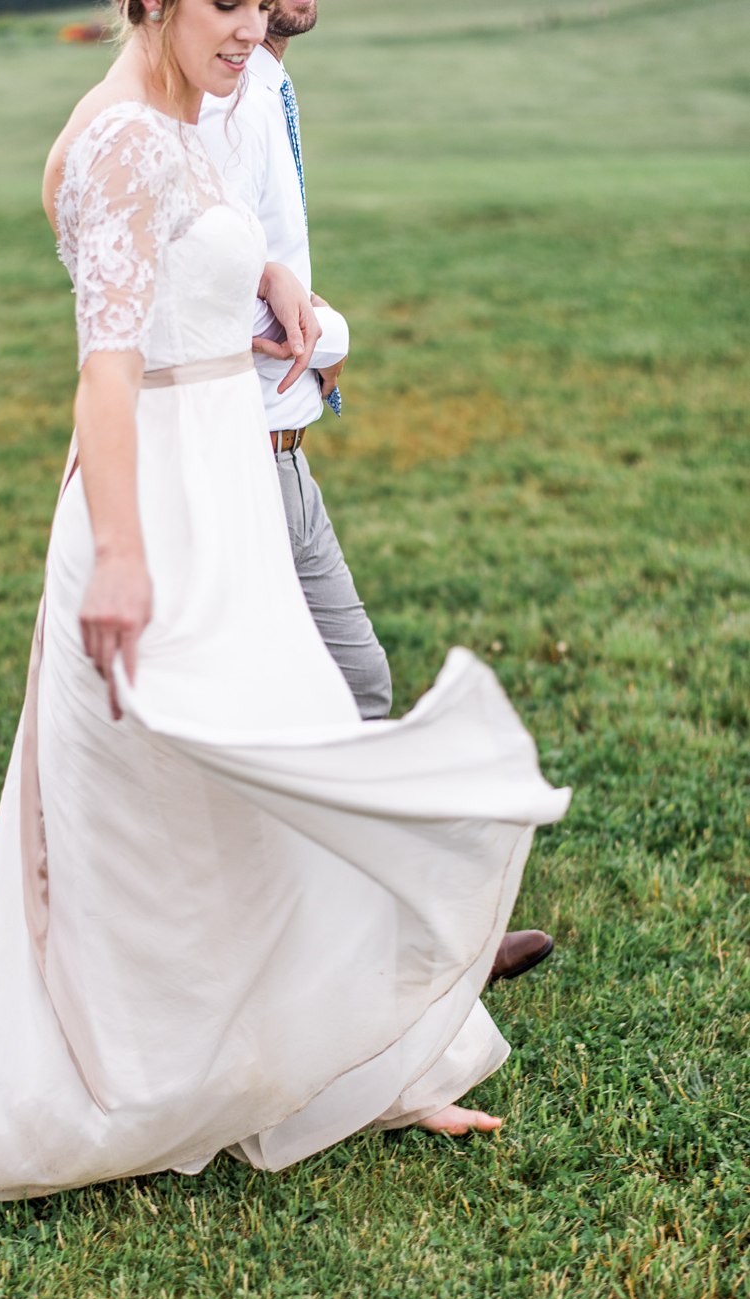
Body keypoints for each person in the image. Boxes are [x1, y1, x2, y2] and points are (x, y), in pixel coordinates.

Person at [0, 0, 569, 1201]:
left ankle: (341, 1057)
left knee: (261, 776)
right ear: (152, 1)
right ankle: (147, 1076)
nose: (252, 28)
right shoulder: (116, 138)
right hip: (158, 505)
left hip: (225, 489)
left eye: (260, 7)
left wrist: (266, 278)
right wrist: (118, 555)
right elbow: (106, 367)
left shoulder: (188, 117)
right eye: (226, 4)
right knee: (152, 810)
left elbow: (197, 243)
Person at [198, 0, 554, 989]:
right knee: (329, 697)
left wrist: (304, 323)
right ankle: (398, 950)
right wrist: (327, 333)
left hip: (281, 449)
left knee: (343, 692)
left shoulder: (260, 79)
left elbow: (263, 266)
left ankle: (396, 946)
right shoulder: (220, 90)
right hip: (236, 454)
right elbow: (213, 285)